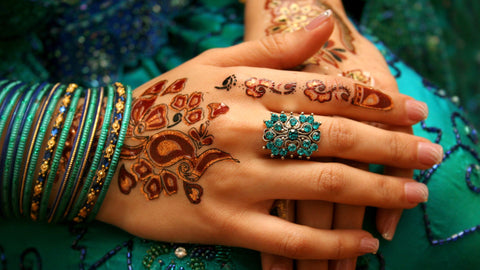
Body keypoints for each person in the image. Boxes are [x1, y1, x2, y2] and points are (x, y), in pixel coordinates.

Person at [0, 1, 478, 270]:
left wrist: (300, 14)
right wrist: (96, 142)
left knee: (434, 179)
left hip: (213, 24)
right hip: (25, 127)